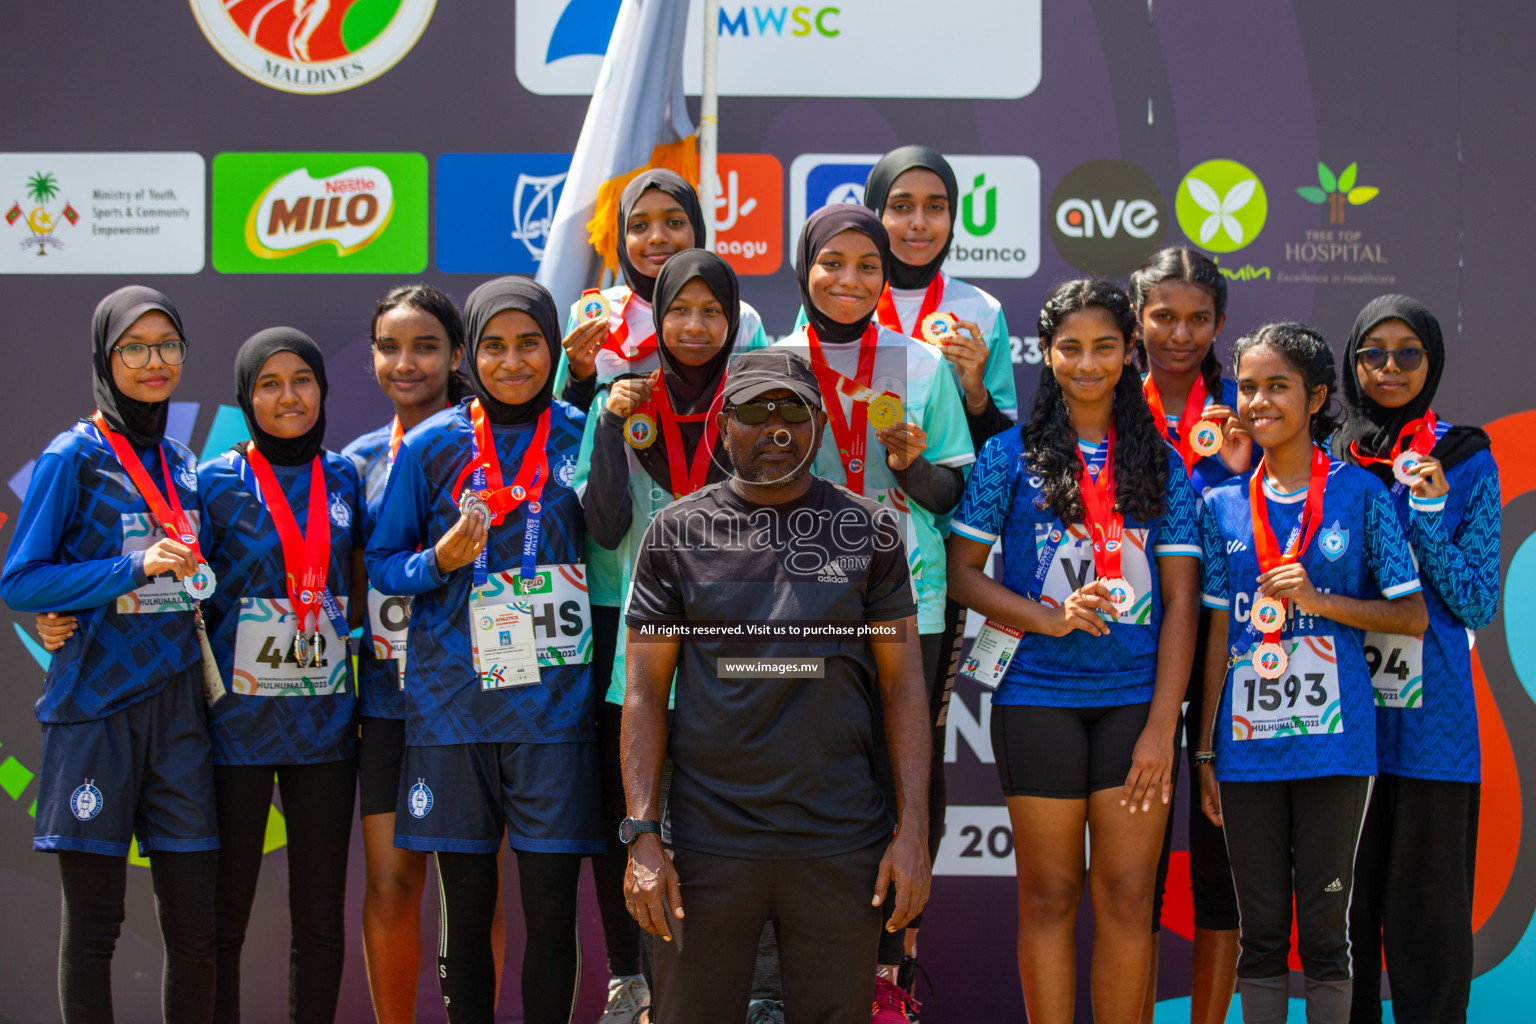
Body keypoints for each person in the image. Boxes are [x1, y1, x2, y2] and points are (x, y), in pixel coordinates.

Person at [621, 348, 933, 1024]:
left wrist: (913, 832)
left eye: (794, 410)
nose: (777, 427)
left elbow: (903, 687)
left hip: (838, 839)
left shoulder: (870, 531)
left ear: (819, 424)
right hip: (707, 843)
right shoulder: (676, 533)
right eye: (755, 411)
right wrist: (643, 834)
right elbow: (645, 693)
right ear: (722, 423)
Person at [946, 278, 1202, 1024]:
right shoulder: (1007, 455)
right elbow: (962, 575)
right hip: (1036, 698)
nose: (1087, 363)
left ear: (1129, 355)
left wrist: (1164, 723)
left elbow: (1183, 599)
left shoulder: (1161, 461)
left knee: (1125, 894)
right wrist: (1048, 619)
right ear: (1046, 355)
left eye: (1104, 347)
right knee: (1050, 893)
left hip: (1133, 703)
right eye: (1070, 348)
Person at [556, 171, 767, 1024]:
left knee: (717, 793)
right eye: (638, 225)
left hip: (724, 607)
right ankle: (629, 979)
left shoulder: (743, 321)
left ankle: (728, 983)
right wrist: (587, 390)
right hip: (622, 599)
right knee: (627, 793)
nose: (654, 238)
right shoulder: (595, 321)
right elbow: (583, 479)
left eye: (673, 221)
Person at [366, 277, 604, 1024]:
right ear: (470, 354)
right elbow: (382, 561)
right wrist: (435, 561)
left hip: (555, 717)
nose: (512, 361)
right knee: (465, 918)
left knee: (550, 916)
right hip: (452, 712)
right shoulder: (434, 442)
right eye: (494, 347)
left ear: (552, 347)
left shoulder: (582, 431)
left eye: (529, 343)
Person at [1195, 323, 1429, 1024]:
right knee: (1261, 936)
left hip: (1336, 743)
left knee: (1327, 935)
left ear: (1318, 395)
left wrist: (1320, 601)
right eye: (1248, 387)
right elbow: (1215, 636)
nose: (1259, 401)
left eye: (1278, 386)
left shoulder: (1360, 494)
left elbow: (1413, 615)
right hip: (1245, 745)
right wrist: (1205, 748)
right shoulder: (1221, 505)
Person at [773, 203, 973, 1018]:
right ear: (804, 270)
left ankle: (891, 974)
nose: (850, 280)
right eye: (833, 264)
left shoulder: (922, 366)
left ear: (887, 274)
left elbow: (950, 494)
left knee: (904, 782)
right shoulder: (775, 361)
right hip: (802, 606)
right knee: (809, 773)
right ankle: (804, 968)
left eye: (867, 266)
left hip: (908, 603)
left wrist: (913, 466)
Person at [1, 286, 219, 1023]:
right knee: (94, 929)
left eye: (167, 346)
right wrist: (128, 571)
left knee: (194, 926)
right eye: (135, 347)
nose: (154, 361)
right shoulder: (75, 454)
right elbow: (21, 579)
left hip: (181, 714)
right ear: (105, 356)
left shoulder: (186, 464)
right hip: (95, 708)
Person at [342, 284, 508, 1022]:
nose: (405, 363)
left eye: (426, 346)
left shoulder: (494, 447)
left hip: (475, 702)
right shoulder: (354, 462)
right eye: (388, 347)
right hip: (386, 701)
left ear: (457, 355)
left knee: (472, 893)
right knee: (390, 885)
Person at [1335, 297, 1500, 1024]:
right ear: (1351, 361)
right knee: (1341, 919)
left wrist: (1430, 518)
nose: (1391, 367)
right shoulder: (1323, 454)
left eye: (1410, 354)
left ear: (1432, 363)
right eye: (1374, 352)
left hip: (1433, 721)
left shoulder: (1465, 457)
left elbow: (1476, 601)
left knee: (1429, 921)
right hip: (1336, 712)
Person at [194, 328, 365, 1024]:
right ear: (246, 397)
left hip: (324, 727)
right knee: (221, 918)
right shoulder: (213, 483)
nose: (288, 397)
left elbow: (366, 582)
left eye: (302, 380)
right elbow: (177, 596)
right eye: (269, 384)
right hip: (235, 727)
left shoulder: (347, 475)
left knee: (321, 920)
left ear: (322, 391)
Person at [1128, 246, 1249, 1024]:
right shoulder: (1103, 401)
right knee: (1132, 873)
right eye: (1163, 316)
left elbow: (1277, 525)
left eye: (1198, 318)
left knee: (1222, 868)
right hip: (1128, 652)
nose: (1180, 333)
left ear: (1221, 324)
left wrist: (1239, 473)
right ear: (1137, 320)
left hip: (1226, 655)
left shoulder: (1252, 410)